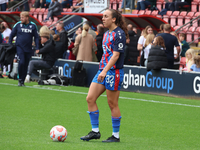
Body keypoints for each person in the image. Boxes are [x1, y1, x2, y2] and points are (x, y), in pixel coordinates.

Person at [80, 9, 128, 142]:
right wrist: (102, 69)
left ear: (114, 19)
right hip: (103, 70)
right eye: (103, 16)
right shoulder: (106, 34)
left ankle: (115, 136)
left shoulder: (119, 34)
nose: (103, 18)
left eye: (106, 16)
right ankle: (95, 131)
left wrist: (105, 70)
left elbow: (116, 55)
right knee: (90, 98)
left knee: (112, 103)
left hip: (113, 72)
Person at [9, 11, 39, 86]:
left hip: (28, 48)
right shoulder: (18, 25)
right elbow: (11, 35)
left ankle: (22, 80)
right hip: (20, 47)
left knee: (26, 64)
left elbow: (36, 37)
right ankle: (19, 79)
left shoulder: (33, 26)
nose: (21, 19)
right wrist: (9, 44)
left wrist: (37, 47)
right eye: (20, 17)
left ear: (27, 18)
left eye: (22, 17)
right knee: (21, 62)